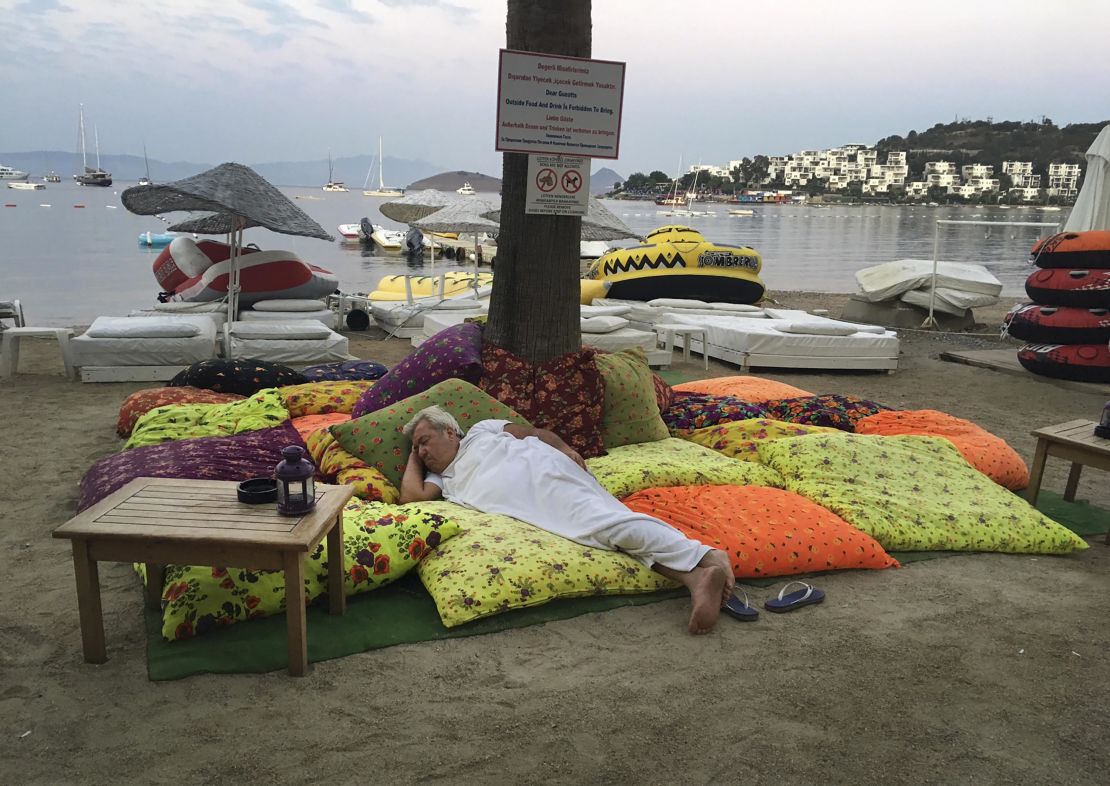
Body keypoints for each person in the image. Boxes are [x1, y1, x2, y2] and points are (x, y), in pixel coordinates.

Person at [399, 406, 736, 634]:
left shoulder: (481, 431)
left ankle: (707, 555)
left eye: (425, 442)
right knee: (601, 536)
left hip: (544, 474)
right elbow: (411, 499)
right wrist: (415, 458)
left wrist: (564, 448)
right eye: (418, 448)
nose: (423, 452)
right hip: (531, 507)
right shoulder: (445, 481)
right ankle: (697, 579)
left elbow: (534, 432)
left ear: (450, 432)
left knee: (604, 524)